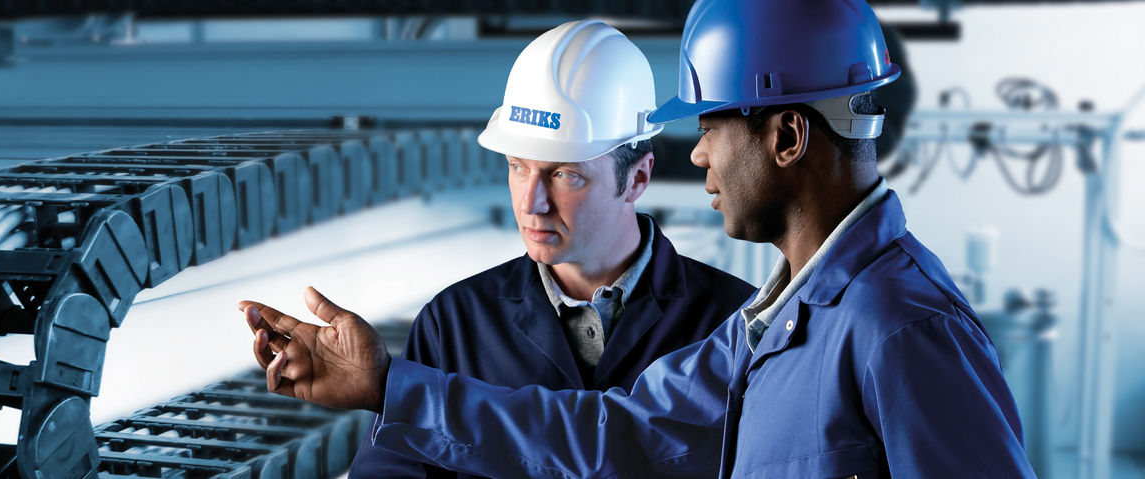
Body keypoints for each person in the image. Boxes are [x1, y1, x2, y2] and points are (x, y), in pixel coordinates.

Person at [240, 0, 1036, 477]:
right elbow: (603, 433)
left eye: (712, 127)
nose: (701, 155)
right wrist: (388, 386)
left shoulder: (901, 327)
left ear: (788, 135)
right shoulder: (769, 327)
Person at [343, 19, 753, 478]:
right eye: (518, 167)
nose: (531, 203)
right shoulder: (455, 323)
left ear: (637, 177)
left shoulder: (734, 323)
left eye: (564, 175)